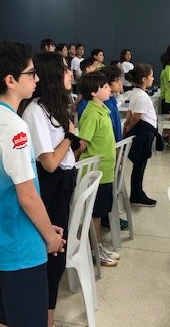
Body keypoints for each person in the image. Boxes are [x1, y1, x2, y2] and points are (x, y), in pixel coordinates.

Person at [0, 40, 64, 327]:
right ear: (10, 80)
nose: (37, 79)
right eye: (31, 73)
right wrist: (50, 238)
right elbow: (27, 196)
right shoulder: (15, 127)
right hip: (21, 249)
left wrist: (44, 228)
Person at [21, 51, 79, 325]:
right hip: (50, 188)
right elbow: (50, 163)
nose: (70, 73)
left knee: (57, 260)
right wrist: (69, 137)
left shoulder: (55, 108)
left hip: (62, 186)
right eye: (65, 69)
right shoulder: (35, 112)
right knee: (53, 257)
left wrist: (69, 139)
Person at [76, 72, 118, 267]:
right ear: (93, 92)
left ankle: (97, 245)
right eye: (105, 87)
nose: (109, 89)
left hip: (106, 170)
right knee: (94, 214)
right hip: (96, 172)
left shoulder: (103, 110)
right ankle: (93, 251)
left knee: (100, 211)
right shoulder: (91, 113)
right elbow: (83, 143)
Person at [123, 63, 161, 207]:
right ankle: (137, 194)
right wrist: (128, 127)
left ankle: (137, 192)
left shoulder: (136, 93)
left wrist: (127, 126)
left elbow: (130, 112)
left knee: (140, 165)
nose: (153, 78)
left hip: (144, 131)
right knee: (139, 165)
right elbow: (135, 116)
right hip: (143, 133)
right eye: (151, 76)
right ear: (144, 79)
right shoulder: (141, 96)